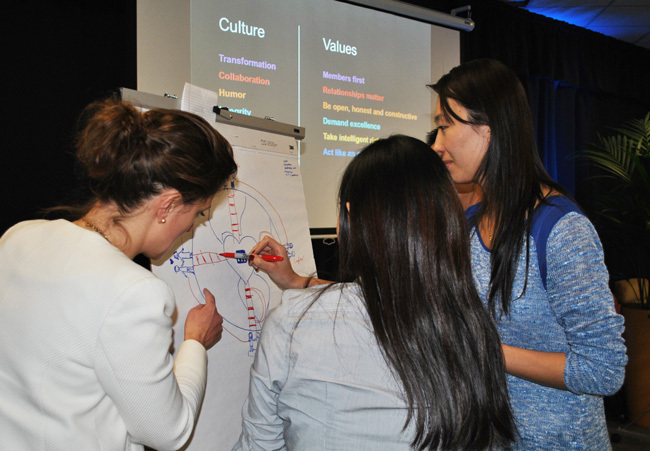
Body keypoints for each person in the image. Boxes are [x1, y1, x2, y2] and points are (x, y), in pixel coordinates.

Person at [234, 135, 516, 450]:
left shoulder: (291, 323)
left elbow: (260, 444)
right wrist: (296, 281)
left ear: (351, 216)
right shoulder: (473, 329)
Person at [0, 97, 238, 450]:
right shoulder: (135, 292)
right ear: (169, 204)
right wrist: (195, 344)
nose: (192, 227)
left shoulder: (19, 236)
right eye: (199, 213)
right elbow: (168, 433)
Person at [427, 58, 627, 449]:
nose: (436, 143)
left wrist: (487, 351)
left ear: (489, 128)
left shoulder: (561, 231)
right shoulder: (469, 224)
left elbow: (603, 369)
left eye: (445, 126)